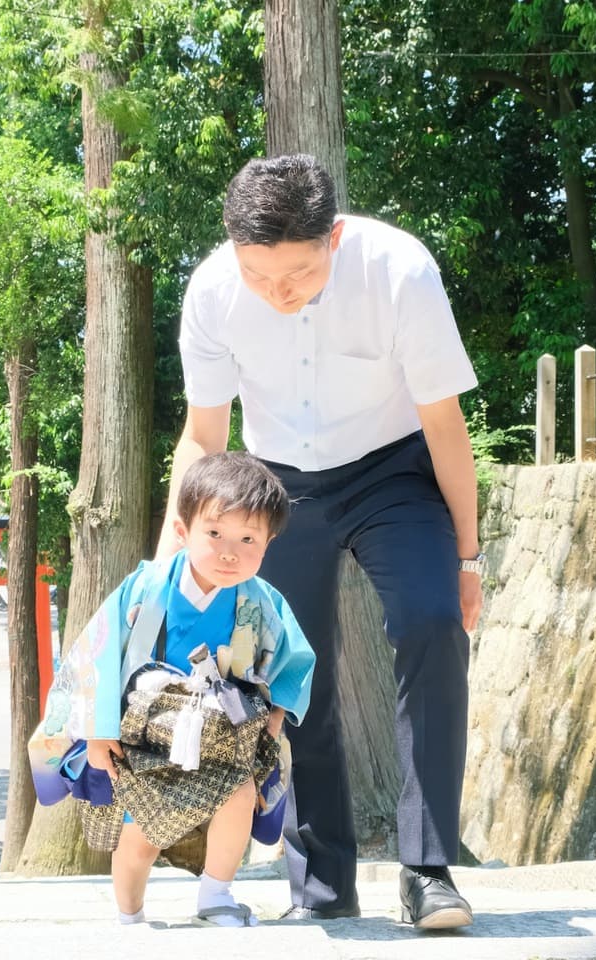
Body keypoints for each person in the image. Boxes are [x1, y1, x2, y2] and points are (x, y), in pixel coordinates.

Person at [155, 154, 484, 930]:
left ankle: (429, 871)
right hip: (278, 483)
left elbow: (444, 426)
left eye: (298, 273)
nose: (278, 293)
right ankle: (323, 884)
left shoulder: (400, 272)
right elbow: (202, 438)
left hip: (394, 469)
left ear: (334, 238)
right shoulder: (212, 292)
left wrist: (468, 559)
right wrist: (177, 555)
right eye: (258, 275)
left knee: (434, 622)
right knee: (292, 669)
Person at [29, 451, 315, 927]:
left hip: (222, 732)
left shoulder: (260, 600)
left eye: (249, 539)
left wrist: (275, 716)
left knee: (240, 795)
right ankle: (130, 915)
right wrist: (99, 733)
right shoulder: (147, 588)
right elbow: (96, 653)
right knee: (139, 835)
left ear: (269, 542)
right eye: (215, 534)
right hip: (148, 732)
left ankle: (216, 896)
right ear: (183, 532)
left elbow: (294, 660)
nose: (230, 552)